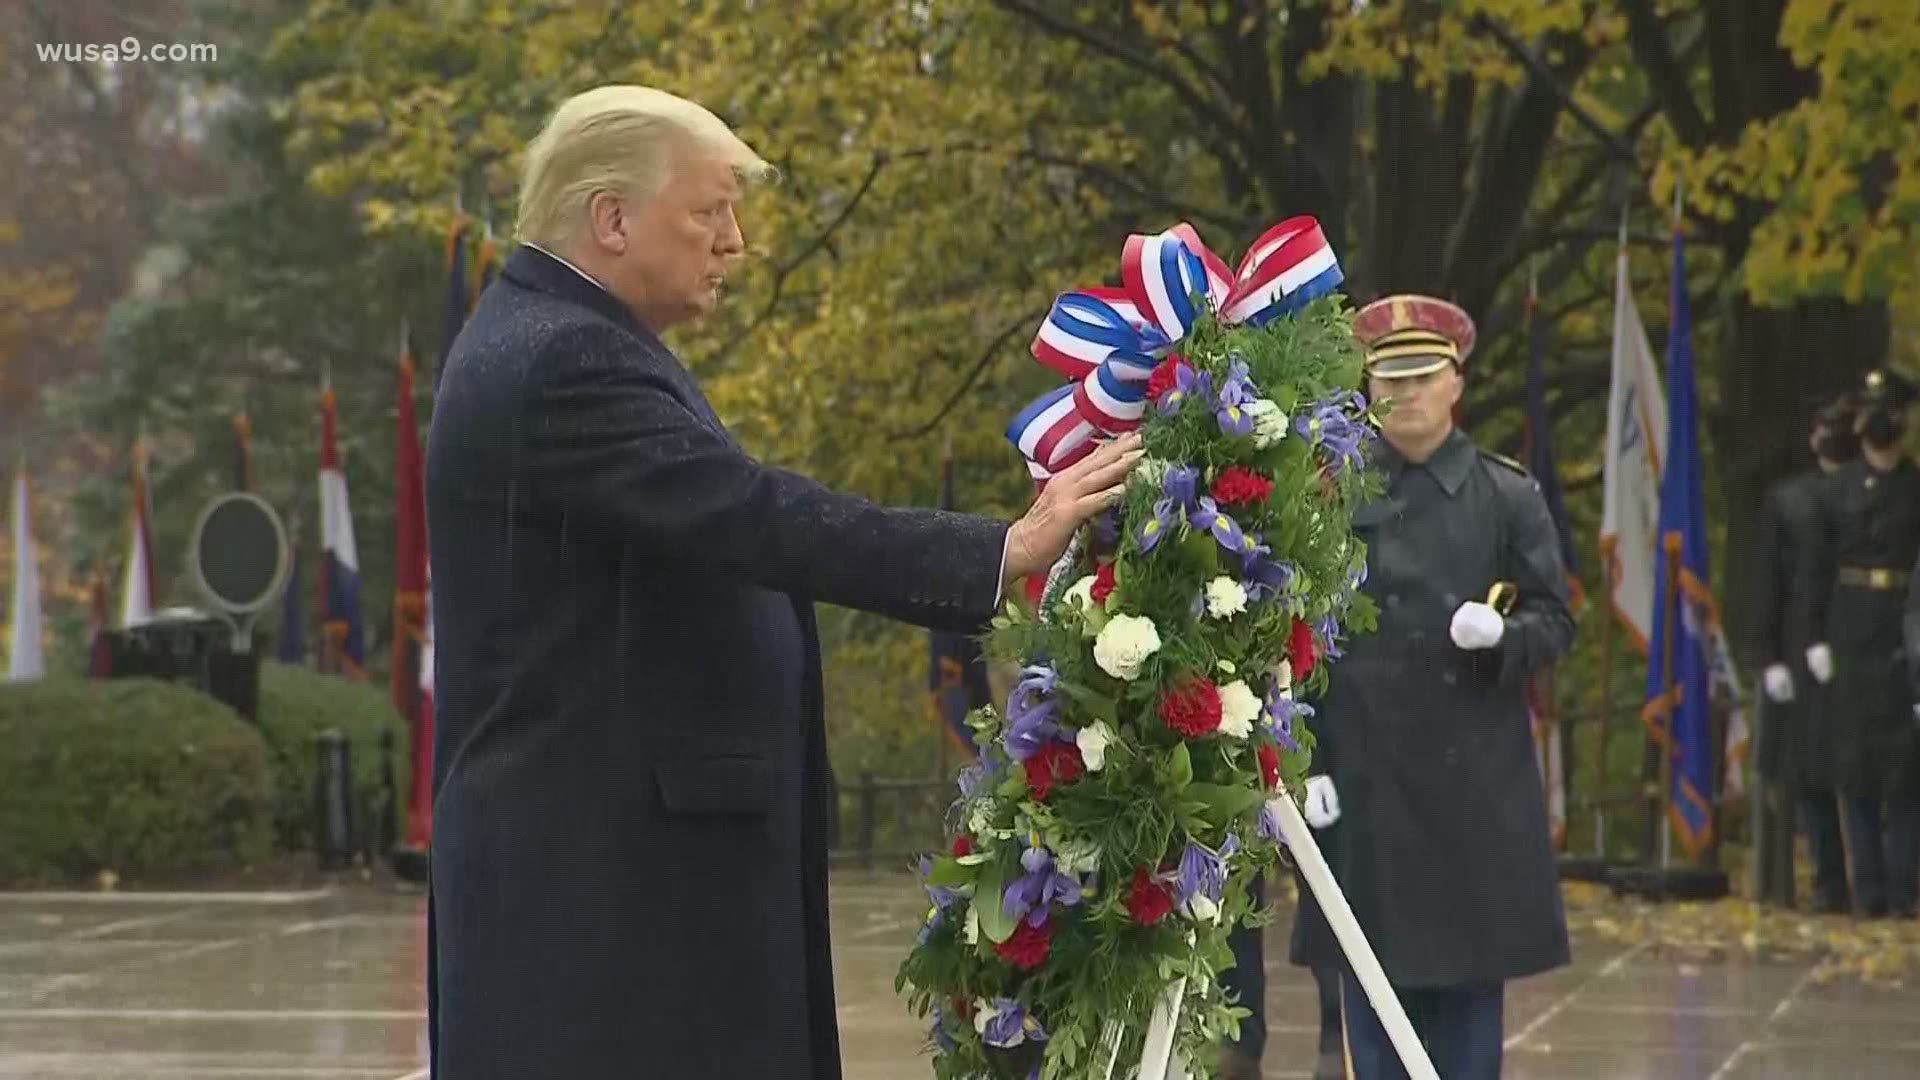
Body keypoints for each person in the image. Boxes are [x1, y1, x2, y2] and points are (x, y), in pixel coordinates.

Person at [423, 85, 1142, 1079]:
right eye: (710, 212)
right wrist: (1000, 549)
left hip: (629, 888)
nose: (736, 243)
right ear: (613, 218)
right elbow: (747, 515)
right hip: (606, 904)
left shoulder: (565, 339)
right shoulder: (562, 358)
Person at [1288, 295, 1575, 1080]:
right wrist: (1300, 758)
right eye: (1390, 379)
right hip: (1365, 785)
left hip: (1471, 789)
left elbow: (1556, 621)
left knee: (1468, 1026)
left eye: (1422, 377)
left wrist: (1505, 639)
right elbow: (1296, 639)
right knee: (1371, 1011)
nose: (1406, 395)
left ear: (1457, 383)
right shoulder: (1331, 500)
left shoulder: (1507, 495)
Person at [1804, 368, 1920, 919]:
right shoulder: (1836, 492)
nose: (1881, 420)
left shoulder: (1915, 488)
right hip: (1849, 628)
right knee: (1854, 769)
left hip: (1902, 629)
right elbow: (1815, 570)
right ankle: (1867, 889)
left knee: (1903, 769)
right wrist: (1813, 636)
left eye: (1891, 410)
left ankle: (1902, 889)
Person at [1749, 393, 1859, 912]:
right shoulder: (1788, 500)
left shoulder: (1872, 495)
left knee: (1865, 772)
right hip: (1798, 651)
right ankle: (1827, 881)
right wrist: (1767, 656)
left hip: (1861, 646)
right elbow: (1768, 581)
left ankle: (1878, 881)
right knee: (1808, 772)